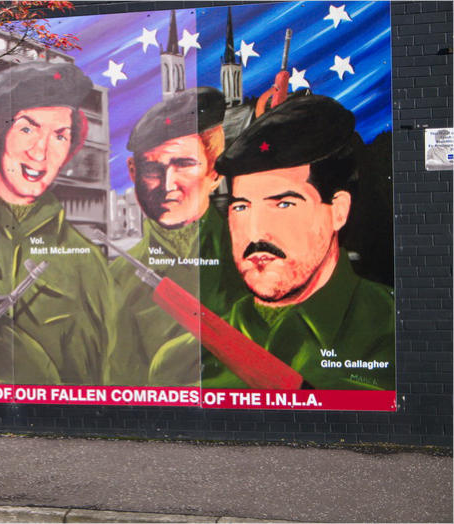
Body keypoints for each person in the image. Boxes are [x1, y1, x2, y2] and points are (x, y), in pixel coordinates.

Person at [208, 95, 395, 390]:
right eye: (241, 207)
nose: (255, 233)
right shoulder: (192, 352)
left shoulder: (392, 332)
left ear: (338, 211)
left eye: (283, 204)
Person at [0, 61, 115, 385]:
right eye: (27, 129)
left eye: (60, 135)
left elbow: (94, 384)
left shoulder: (87, 264)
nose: (41, 152)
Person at [107, 87, 246, 386]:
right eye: (151, 169)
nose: (167, 184)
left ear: (214, 171)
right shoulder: (116, 280)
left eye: (184, 164)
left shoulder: (250, 262)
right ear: (132, 172)